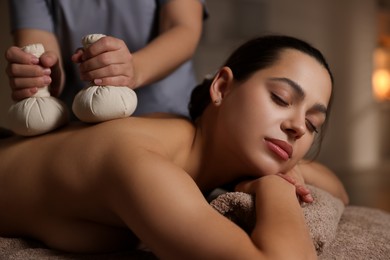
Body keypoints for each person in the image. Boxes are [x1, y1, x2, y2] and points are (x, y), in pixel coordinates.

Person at [0, 35, 349, 259]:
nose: (296, 127)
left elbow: (336, 189)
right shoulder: (142, 162)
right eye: (281, 98)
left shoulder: (181, 136)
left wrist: (280, 169)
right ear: (222, 88)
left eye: (312, 124)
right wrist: (273, 185)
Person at [5, 0, 206, 118]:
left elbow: (182, 27)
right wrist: (43, 74)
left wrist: (133, 70)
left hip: (164, 117)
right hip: (79, 130)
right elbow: (39, 43)